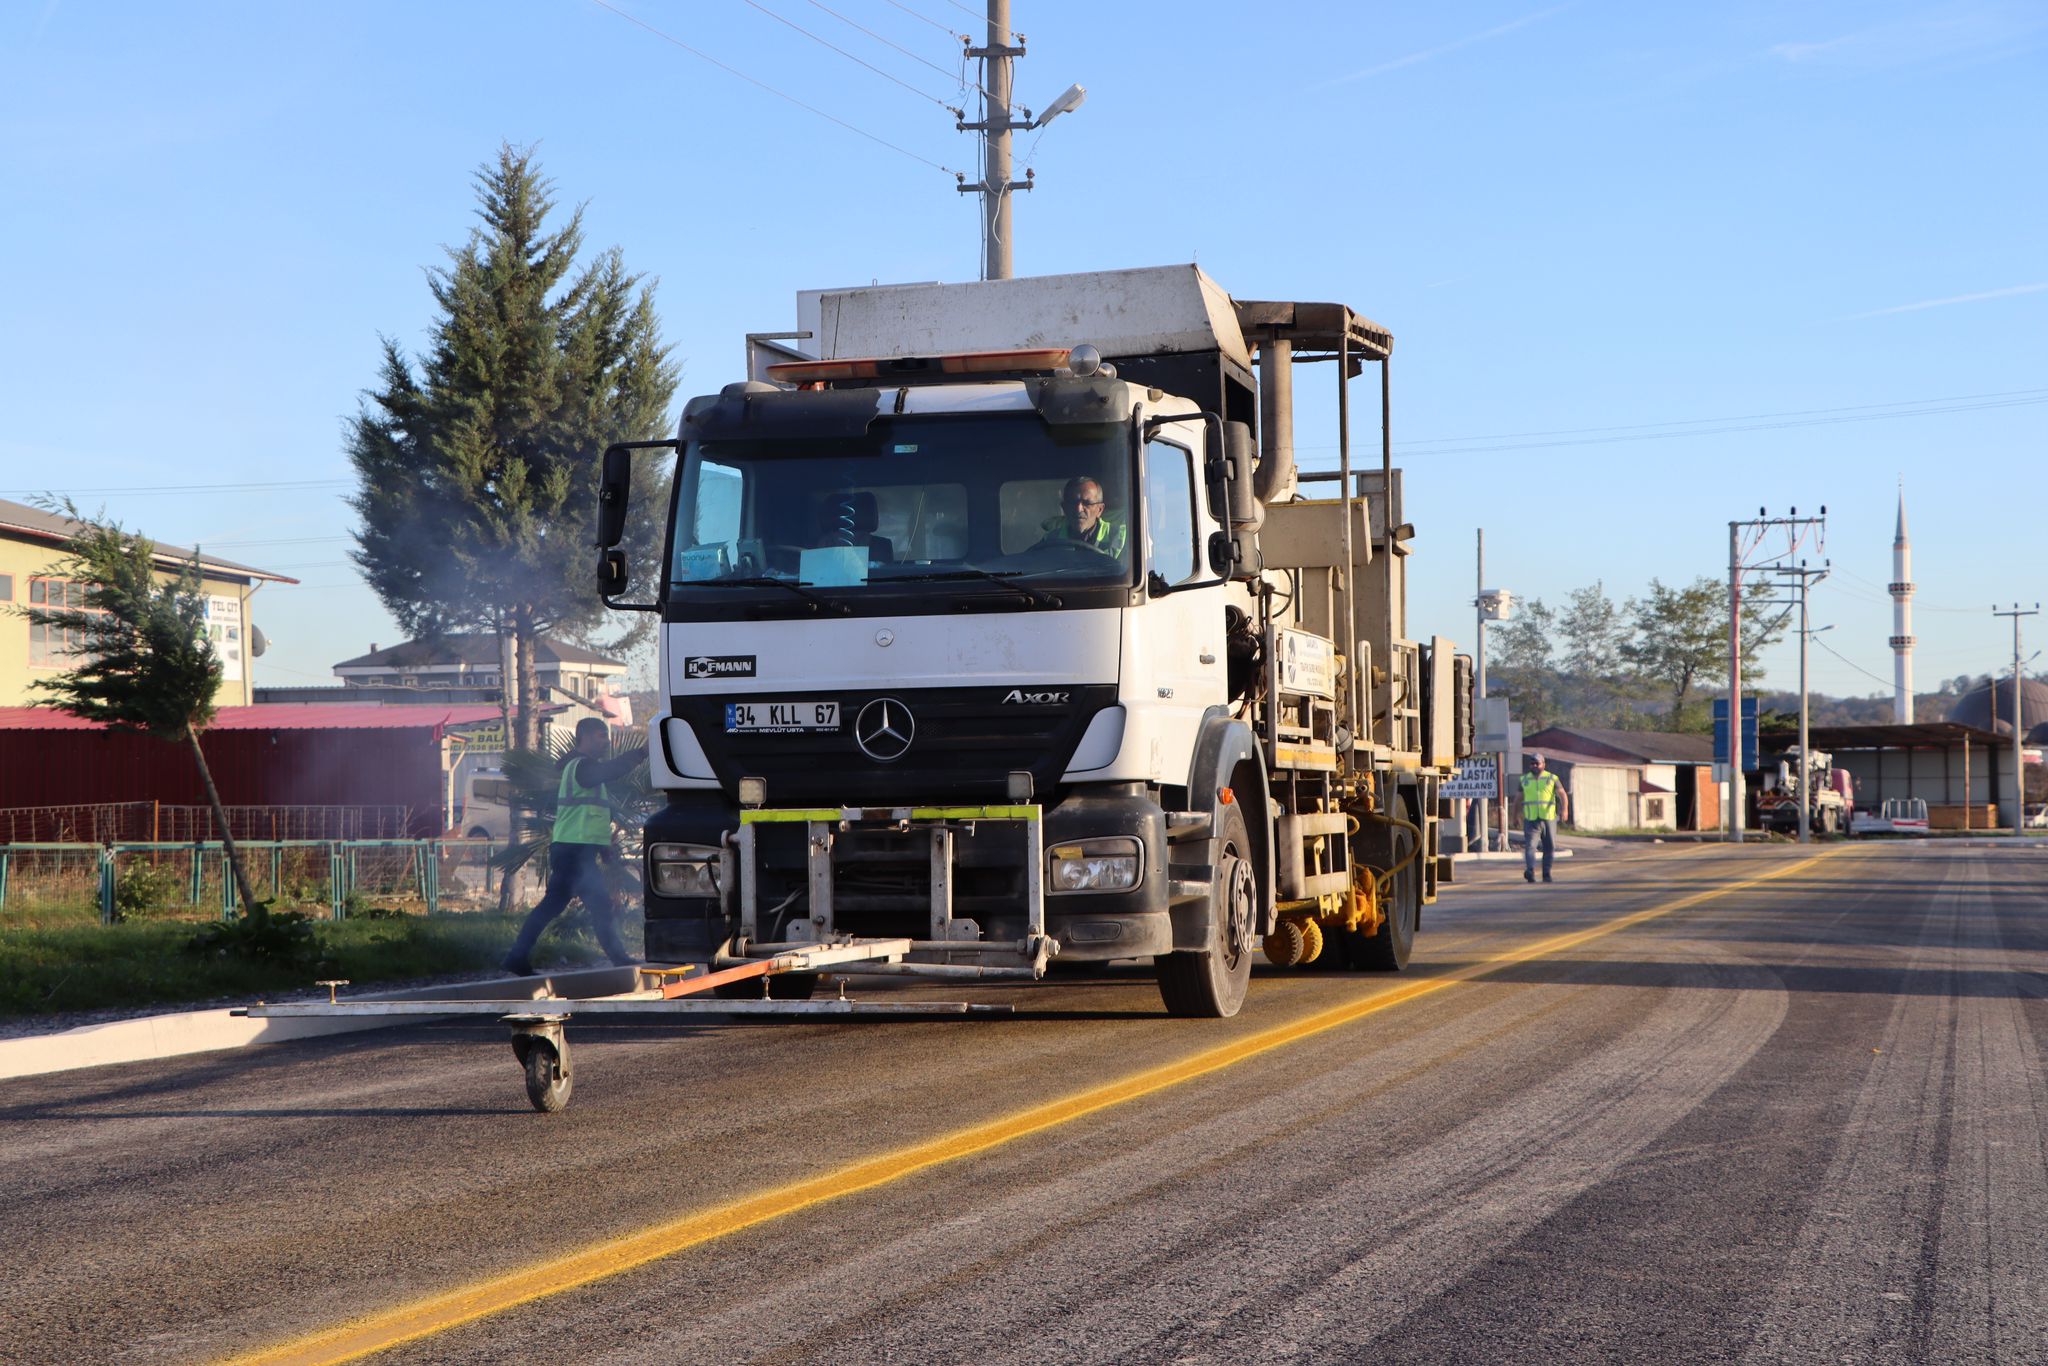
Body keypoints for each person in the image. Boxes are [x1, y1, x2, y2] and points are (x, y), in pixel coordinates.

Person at [502, 717, 643, 974]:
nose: (607, 742)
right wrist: (642, 753)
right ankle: (619, 958)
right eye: (602, 736)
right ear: (586, 737)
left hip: (575, 849)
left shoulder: (581, 767)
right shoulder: (582, 767)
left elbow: (590, 816)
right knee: (596, 904)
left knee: (554, 905)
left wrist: (603, 848)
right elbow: (609, 772)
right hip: (574, 851)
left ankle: (517, 956)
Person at [1035, 476, 1127, 558]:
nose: (1079, 509)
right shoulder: (1050, 540)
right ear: (1064, 508)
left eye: (1087, 503)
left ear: (1100, 510)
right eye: (1072, 503)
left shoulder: (1122, 537)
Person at [1514, 753, 1569, 883]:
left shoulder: (1552, 778)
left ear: (1543, 764)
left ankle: (1546, 873)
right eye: (1532, 763)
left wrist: (1565, 810)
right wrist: (1515, 816)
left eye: (1537, 763)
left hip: (1548, 818)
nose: (1534, 766)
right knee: (1530, 846)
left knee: (1549, 846)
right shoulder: (1524, 780)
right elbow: (1517, 799)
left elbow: (1563, 795)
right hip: (1531, 819)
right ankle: (1530, 871)